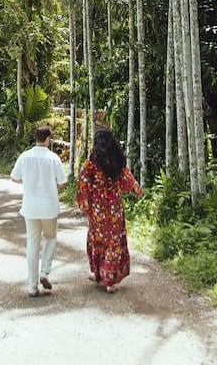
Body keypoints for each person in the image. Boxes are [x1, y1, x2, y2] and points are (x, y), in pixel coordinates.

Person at [76, 127, 142, 293]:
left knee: (98, 240)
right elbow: (126, 178)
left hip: (97, 208)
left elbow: (83, 183)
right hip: (114, 207)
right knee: (113, 241)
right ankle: (108, 280)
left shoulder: (91, 162)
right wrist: (136, 189)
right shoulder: (117, 160)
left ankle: (99, 273)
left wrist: (85, 204)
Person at [10, 124, 67, 297]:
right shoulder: (53, 158)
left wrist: (28, 181)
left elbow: (15, 178)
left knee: (32, 244)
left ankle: (32, 286)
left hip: (30, 206)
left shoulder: (25, 156)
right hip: (49, 206)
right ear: (48, 139)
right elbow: (61, 183)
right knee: (50, 237)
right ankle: (45, 272)